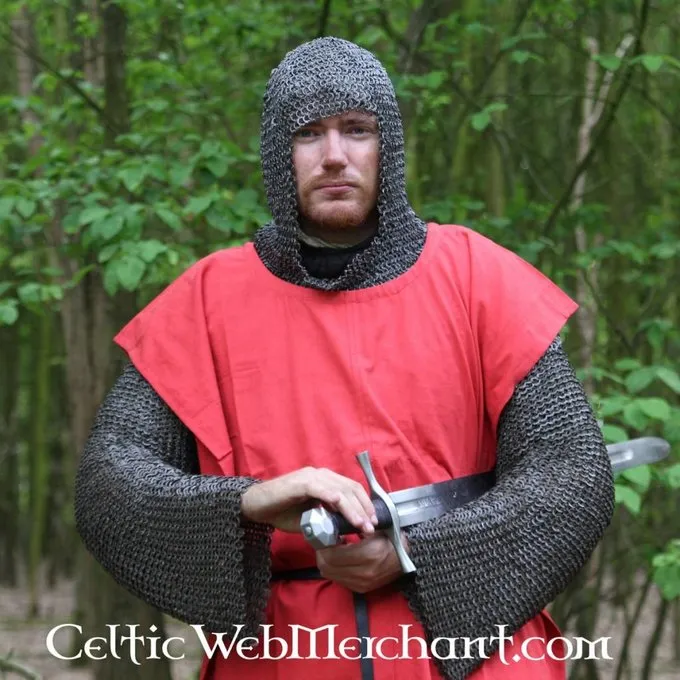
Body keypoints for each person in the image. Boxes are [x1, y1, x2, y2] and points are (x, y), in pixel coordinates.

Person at [74, 37, 615, 680]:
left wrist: (418, 553)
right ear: (278, 153)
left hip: (471, 654)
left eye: (357, 129)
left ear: (388, 145)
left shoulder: (479, 278)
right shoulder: (208, 301)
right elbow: (110, 484)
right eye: (309, 133)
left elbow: (572, 471)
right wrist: (250, 502)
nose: (335, 155)